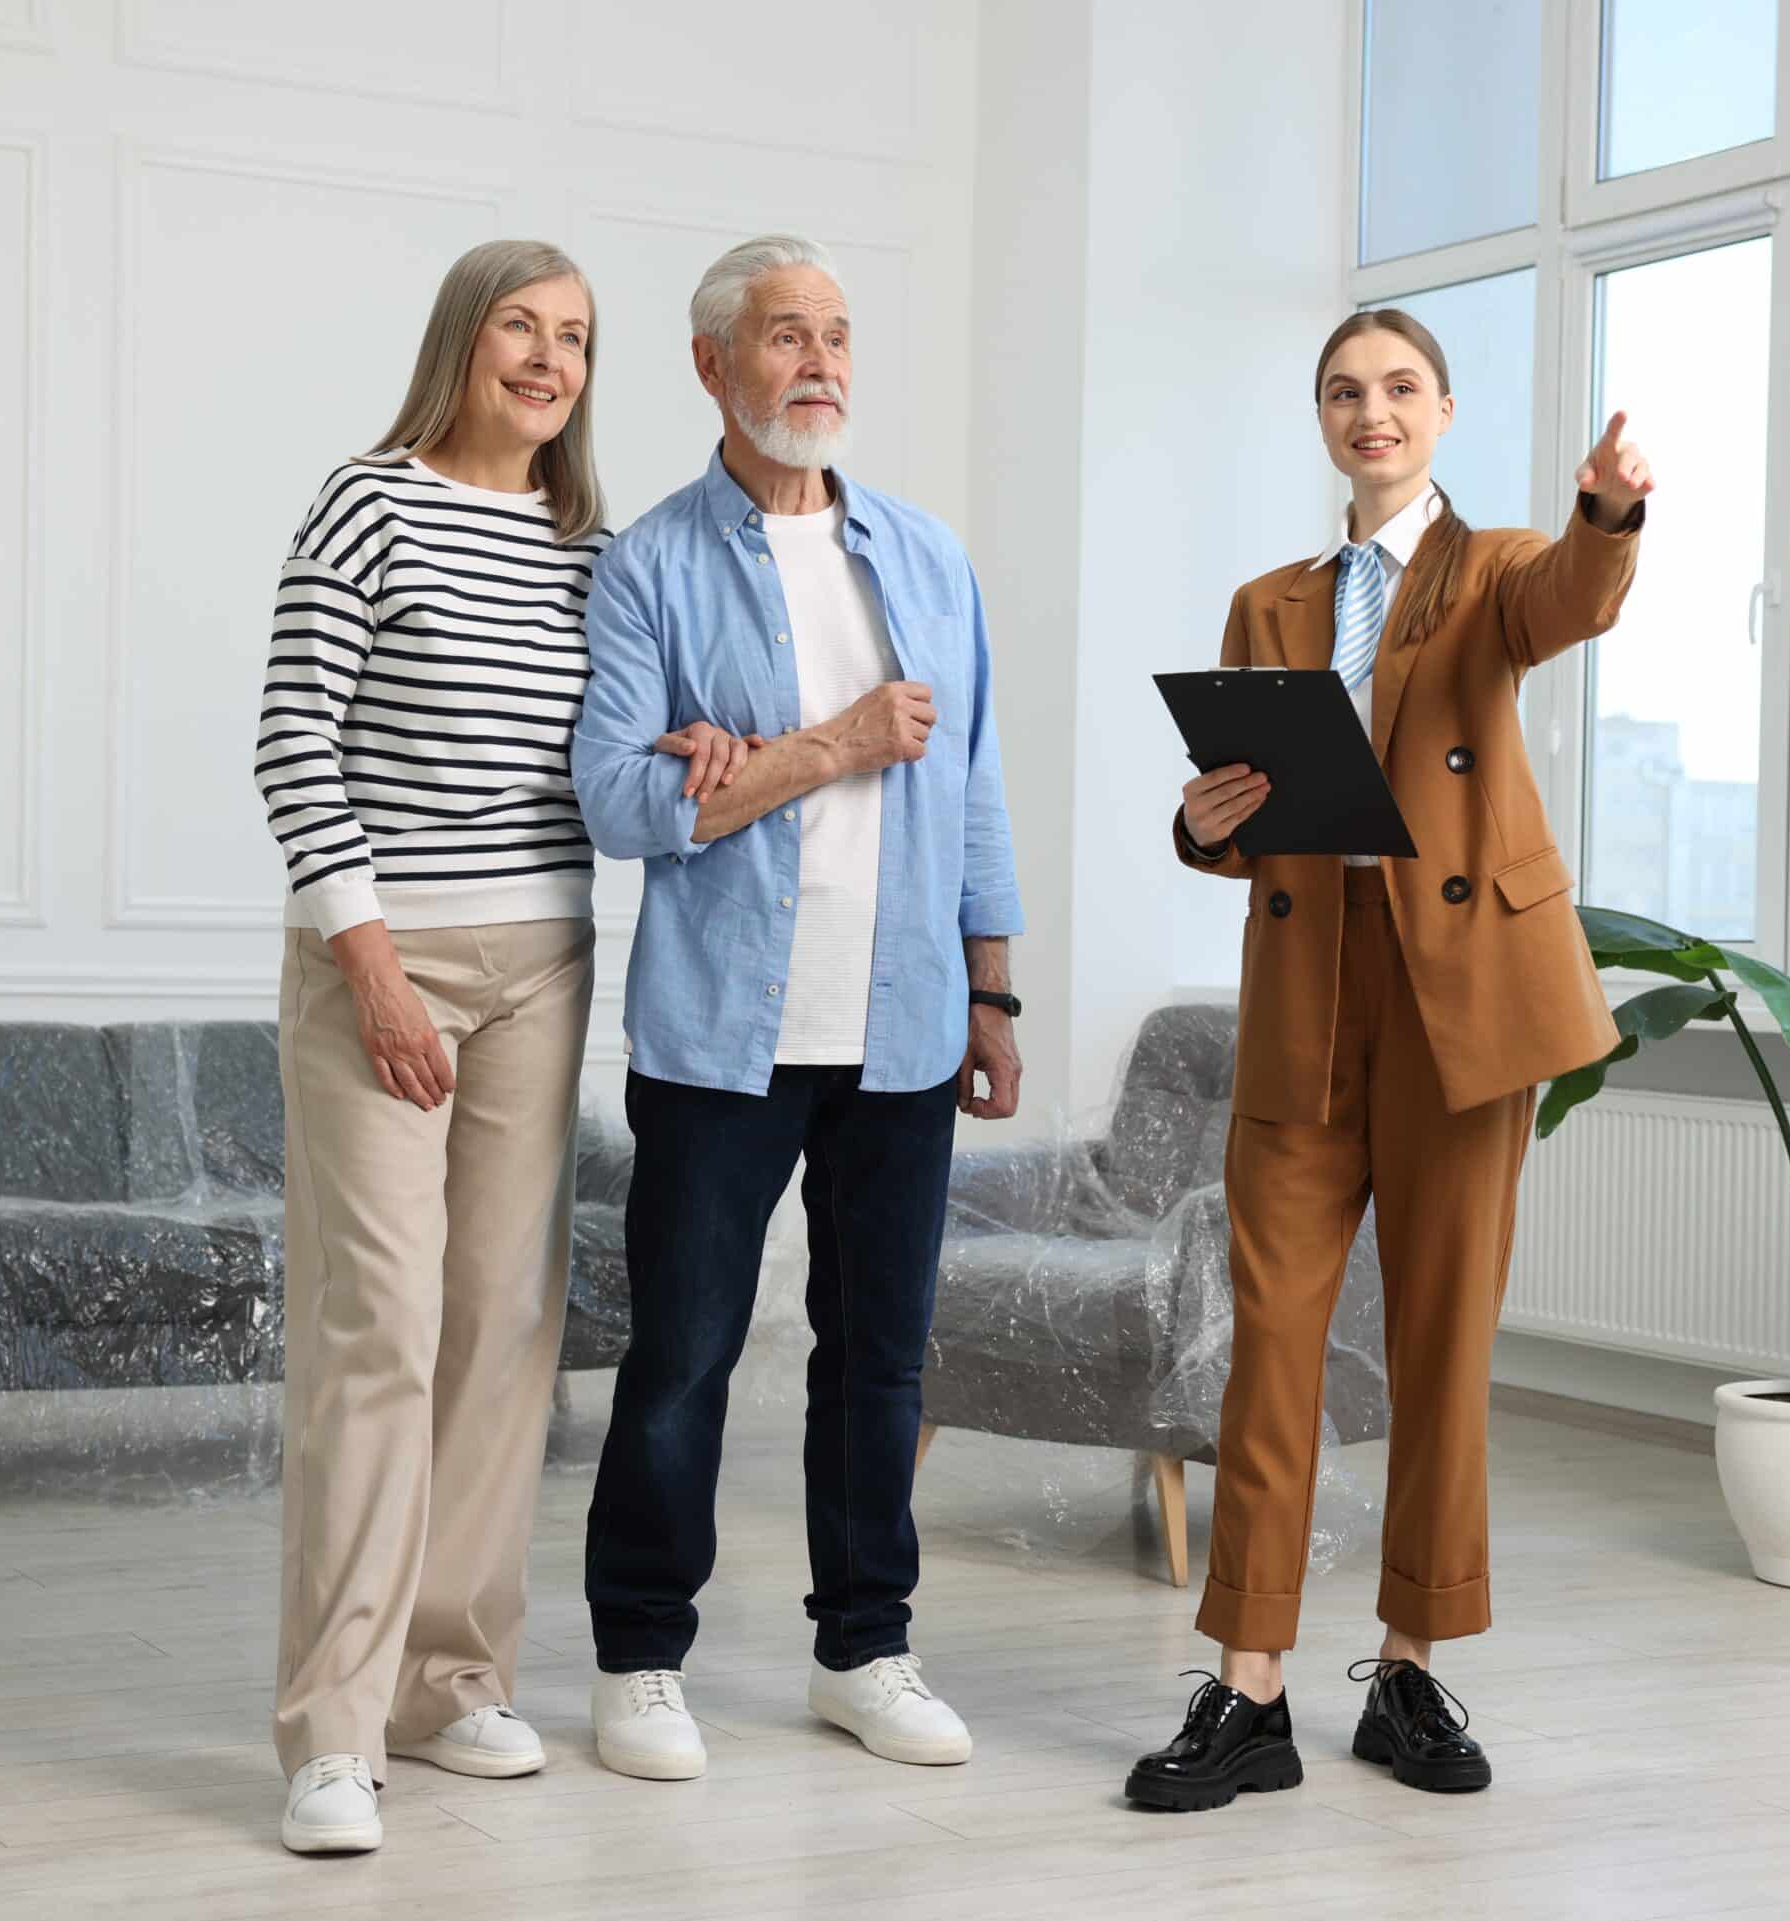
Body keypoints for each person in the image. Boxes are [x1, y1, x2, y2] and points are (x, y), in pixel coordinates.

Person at [1124, 307, 1653, 1812]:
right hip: (1309, 991)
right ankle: (1250, 1689)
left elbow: (1577, 594)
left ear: (1444, 411)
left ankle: (1410, 1667)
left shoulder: (1491, 575)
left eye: (1401, 389)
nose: (1374, 412)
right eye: (1348, 392)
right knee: (1270, 1345)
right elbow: (1237, 810)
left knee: (1439, 1342)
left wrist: (1608, 509)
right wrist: (1200, 823)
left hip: (1464, 1001)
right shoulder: (1268, 600)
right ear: (1321, 418)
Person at [257, 239, 744, 1857]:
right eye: (523, 329)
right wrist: (373, 968)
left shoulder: (588, 546)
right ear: (464, 341)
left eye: (577, 339)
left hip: (546, 958)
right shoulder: (367, 500)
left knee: (506, 1327)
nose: (549, 360)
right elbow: (293, 741)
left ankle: (453, 1679)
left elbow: (619, 741)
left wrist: (699, 740)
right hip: (379, 964)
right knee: (379, 1326)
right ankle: (334, 1729)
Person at [569, 234, 1024, 1783]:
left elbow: (974, 790)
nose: (818, 360)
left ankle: (866, 1645)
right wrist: (816, 747)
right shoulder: (647, 564)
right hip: (718, 1033)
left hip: (900, 1027)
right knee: (684, 1350)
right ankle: (639, 1654)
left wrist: (993, 989)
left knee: (879, 1356)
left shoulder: (929, 556)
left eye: (835, 333)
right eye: (783, 335)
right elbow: (619, 801)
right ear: (713, 364)